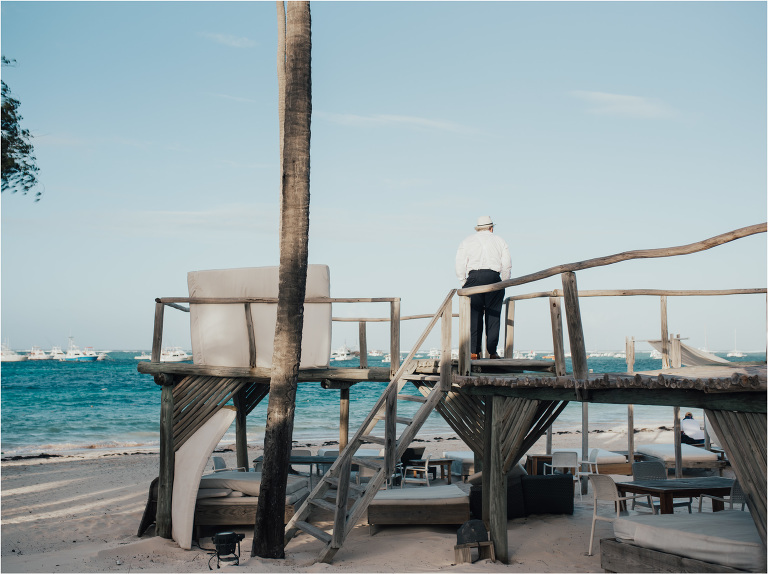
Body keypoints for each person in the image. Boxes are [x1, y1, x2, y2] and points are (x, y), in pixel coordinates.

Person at [455, 216, 512, 359]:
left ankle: (474, 352)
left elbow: (460, 264)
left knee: (474, 315)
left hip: (473, 278)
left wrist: (464, 282)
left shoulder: (467, 241)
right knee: (493, 315)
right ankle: (492, 352)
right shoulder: (500, 241)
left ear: (478, 228)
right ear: (491, 228)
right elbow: (506, 265)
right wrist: (503, 282)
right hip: (493, 278)